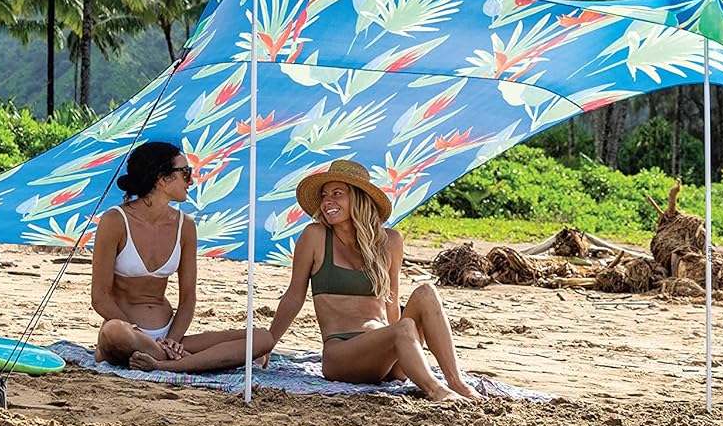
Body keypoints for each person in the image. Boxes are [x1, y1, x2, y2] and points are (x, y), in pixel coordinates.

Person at [264, 159, 480, 402]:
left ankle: (456, 382)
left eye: (337, 194)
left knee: (426, 293)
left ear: (358, 198)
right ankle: (436, 391)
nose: (327, 202)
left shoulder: (390, 241)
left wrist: (401, 346)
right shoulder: (315, 236)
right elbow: (294, 295)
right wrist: (268, 345)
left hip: (385, 351)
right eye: (324, 196)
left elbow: (391, 301)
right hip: (343, 355)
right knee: (404, 328)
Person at [91, 140, 273, 372]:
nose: (191, 181)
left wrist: (172, 340)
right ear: (162, 178)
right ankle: (185, 362)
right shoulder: (115, 220)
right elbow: (100, 297)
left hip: (169, 334)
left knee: (263, 339)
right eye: (185, 173)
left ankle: (165, 362)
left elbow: (188, 299)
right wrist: (134, 330)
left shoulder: (185, 225)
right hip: (128, 332)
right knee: (113, 331)